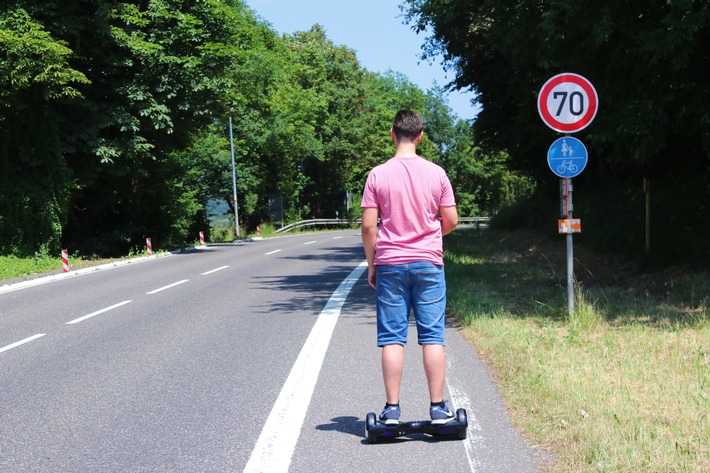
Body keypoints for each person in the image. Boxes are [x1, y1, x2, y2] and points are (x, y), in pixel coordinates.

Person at [360, 109, 458, 425]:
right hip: (429, 263)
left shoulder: (377, 174)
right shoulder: (437, 173)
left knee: (392, 337)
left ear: (392, 134)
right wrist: (429, 236)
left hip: (389, 263)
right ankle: (439, 408)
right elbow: (452, 220)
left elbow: (368, 227)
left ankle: (391, 410)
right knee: (432, 336)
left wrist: (372, 262)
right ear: (420, 137)